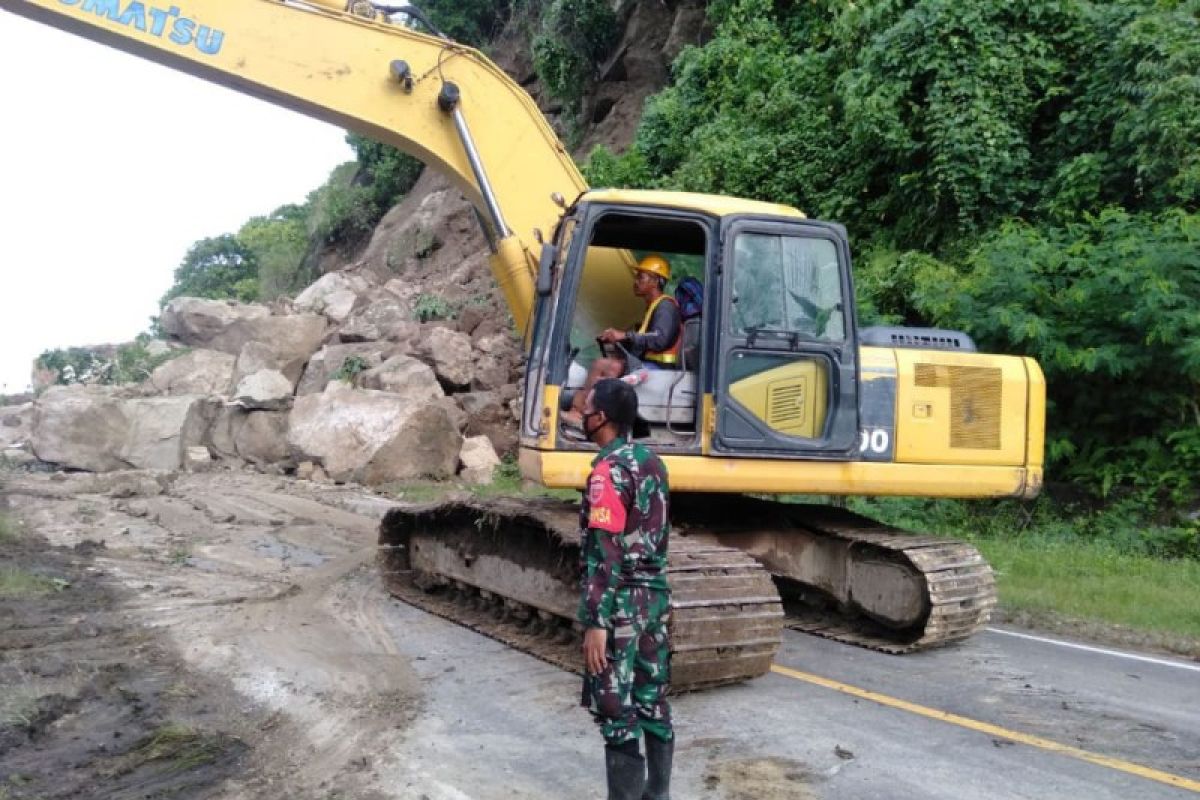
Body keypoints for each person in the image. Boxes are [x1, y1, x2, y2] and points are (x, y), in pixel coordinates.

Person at [577, 378, 674, 800]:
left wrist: (596, 620)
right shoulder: (651, 461)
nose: (582, 413)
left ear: (601, 419)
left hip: (620, 605)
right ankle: (659, 795)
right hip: (654, 598)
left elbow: (605, 551)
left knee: (615, 707)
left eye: (587, 407)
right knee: (653, 699)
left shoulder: (607, 471)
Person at [561, 254, 683, 427]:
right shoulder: (653, 307)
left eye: (641, 277)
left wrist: (624, 336)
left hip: (659, 367)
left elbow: (660, 339)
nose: (636, 281)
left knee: (609, 366)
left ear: (655, 281)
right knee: (604, 363)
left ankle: (583, 414)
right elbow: (645, 339)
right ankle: (584, 411)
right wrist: (618, 341)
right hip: (649, 363)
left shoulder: (665, 307)